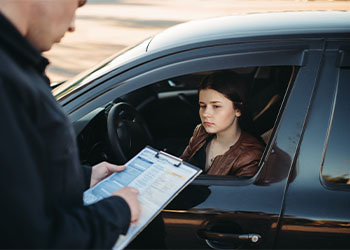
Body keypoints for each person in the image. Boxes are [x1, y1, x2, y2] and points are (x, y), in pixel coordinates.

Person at [0, 0, 141, 248]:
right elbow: (29, 239)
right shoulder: (7, 81)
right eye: (78, 3)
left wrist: (84, 177)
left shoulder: (16, 66)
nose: (73, 25)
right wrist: (118, 210)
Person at [181, 71, 265, 176]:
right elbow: (179, 168)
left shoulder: (250, 156)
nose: (206, 114)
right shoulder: (200, 132)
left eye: (216, 106)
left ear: (238, 110)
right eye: (203, 106)